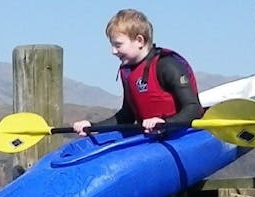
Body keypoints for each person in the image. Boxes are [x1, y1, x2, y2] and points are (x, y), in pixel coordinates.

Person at [73, 8, 204, 136]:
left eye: (118, 45)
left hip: (181, 135)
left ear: (139, 41)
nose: (113, 51)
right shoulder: (128, 72)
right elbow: (127, 115)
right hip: (151, 138)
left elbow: (193, 108)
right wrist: (93, 127)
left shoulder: (167, 65)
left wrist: (165, 123)